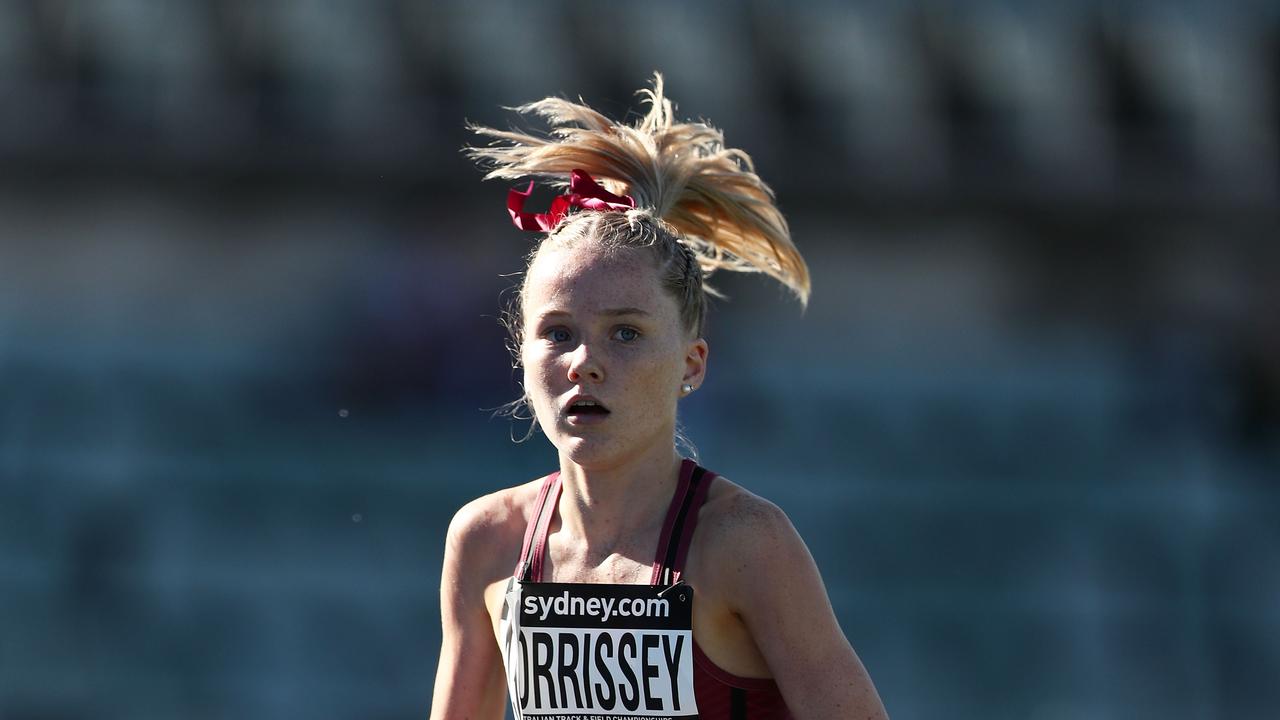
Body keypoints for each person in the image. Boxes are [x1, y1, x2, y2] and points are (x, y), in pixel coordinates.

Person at [430, 75, 889, 720]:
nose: (585, 362)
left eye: (626, 333)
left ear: (691, 364)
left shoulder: (743, 543)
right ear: (521, 355)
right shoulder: (487, 543)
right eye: (558, 333)